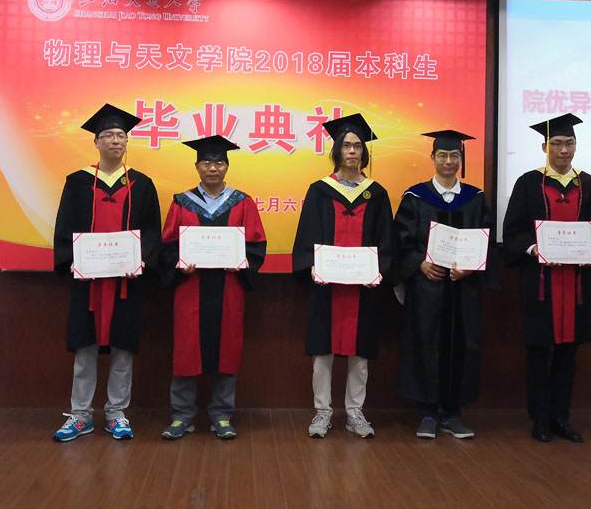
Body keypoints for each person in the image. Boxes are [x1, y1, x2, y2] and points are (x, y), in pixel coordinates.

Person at [52, 104, 161, 442]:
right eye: (109, 135)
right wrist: (71, 259)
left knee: (122, 348)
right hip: (88, 280)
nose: (116, 140)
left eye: (121, 135)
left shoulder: (142, 184)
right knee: (85, 348)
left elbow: (152, 231)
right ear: (96, 142)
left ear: (127, 142)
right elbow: (64, 228)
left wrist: (143, 261)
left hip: (126, 281)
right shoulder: (77, 182)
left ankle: (116, 413)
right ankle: (81, 414)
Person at [291, 113, 394, 439]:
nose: (352, 151)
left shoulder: (376, 194)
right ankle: (322, 411)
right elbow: (306, 235)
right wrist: (311, 265)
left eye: (358, 146)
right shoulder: (320, 191)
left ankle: (354, 412)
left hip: (363, 287)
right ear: (337, 150)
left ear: (364, 152)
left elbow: (386, 240)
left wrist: (379, 270)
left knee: (360, 353)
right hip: (327, 285)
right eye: (346, 145)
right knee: (323, 351)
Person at [159, 135, 266, 440]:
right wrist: (179, 265)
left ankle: (221, 415)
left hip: (229, 289)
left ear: (227, 166)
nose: (213, 167)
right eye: (206, 162)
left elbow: (256, 244)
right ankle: (182, 416)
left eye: (219, 162)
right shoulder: (181, 202)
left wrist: (241, 264)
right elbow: (168, 245)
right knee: (186, 351)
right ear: (197, 166)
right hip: (190, 288)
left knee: (227, 350)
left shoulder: (243, 202)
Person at [502, 113, 591, 443]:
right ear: (545, 147)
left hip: (576, 283)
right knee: (538, 353)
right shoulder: (528, 182)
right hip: (540, 282)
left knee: (568, 353)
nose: (564, 150)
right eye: (557, 143)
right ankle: (540, 418)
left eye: (569, 143)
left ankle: (561, 417)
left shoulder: (587, 184)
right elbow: (512, 230)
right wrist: (533, 248)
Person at [394, 130, 497, 439]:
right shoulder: (415, 198)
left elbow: (486, 240)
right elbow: (401, 241)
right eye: (443, 155)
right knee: (425, 344)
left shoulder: (475, 198)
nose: (449, 161)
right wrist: (419, 263)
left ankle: (452, 414)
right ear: (433, 158)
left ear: (461, 159)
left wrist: (470, 267)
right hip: (427, 288)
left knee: (462, 347)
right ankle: (426, 414)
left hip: (463, 289)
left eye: (454, 156)